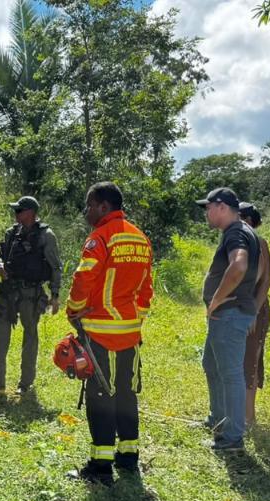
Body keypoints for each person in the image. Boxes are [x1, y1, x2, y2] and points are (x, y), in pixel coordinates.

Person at [64, 182, 153, 485]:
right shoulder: (140, 238)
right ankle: (128, 458)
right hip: (131, 333)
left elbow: (83, 278)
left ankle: (101, 468)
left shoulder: (100, 237)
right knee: (126, 394)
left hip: (101, 333)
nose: (86, 211)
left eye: (89, 205)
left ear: (103, 206)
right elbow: (146, 288)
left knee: (101, 397)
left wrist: (74, 310)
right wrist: (136, 319)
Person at [196, 187, 260, 452]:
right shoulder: (243, 231)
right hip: (230, 314)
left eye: (208, 208)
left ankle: (233, 437)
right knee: (211, 364)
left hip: (230, 314)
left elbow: (239, 265)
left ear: (221, 207)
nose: (206, 213)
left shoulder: (235, 232)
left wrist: (217, 299)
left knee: (231, 374)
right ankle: (218, 420)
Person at [0, 196, 62, 394]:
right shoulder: (11, 232)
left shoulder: (46, 235)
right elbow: (1, 256)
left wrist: (55, 295)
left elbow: (55, 267)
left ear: (30, 213)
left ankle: (25, 384)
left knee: (30, 338)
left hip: (31, 293)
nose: (16, 213)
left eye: (19, 210)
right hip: (8, 291)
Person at [240, 202, 270, 427]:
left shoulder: (258, 244)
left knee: (249, 363)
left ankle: (248, 418)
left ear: (248, 220)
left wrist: (253, 311)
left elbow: (266, 281)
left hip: (254, 311)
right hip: (241, 310)